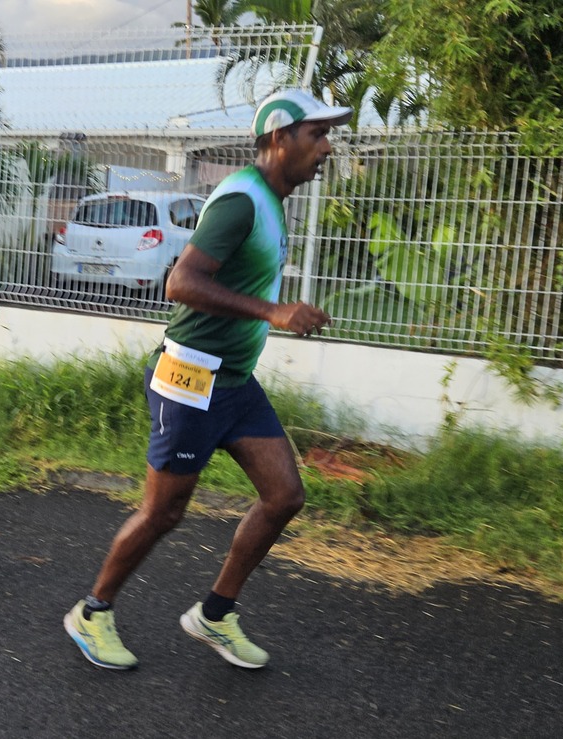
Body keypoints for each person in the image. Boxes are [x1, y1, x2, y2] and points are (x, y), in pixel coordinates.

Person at [64, 89, 344, 669]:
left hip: (234, 381)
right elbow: (181, 282)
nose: (327, 147)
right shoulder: (241, 199)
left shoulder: (271, 200)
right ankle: (92, 612)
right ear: (280, 138)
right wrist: (274, 312)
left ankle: (215, 615)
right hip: (190, 377)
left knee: (285, 496)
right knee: (164, 513)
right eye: (317, 134)